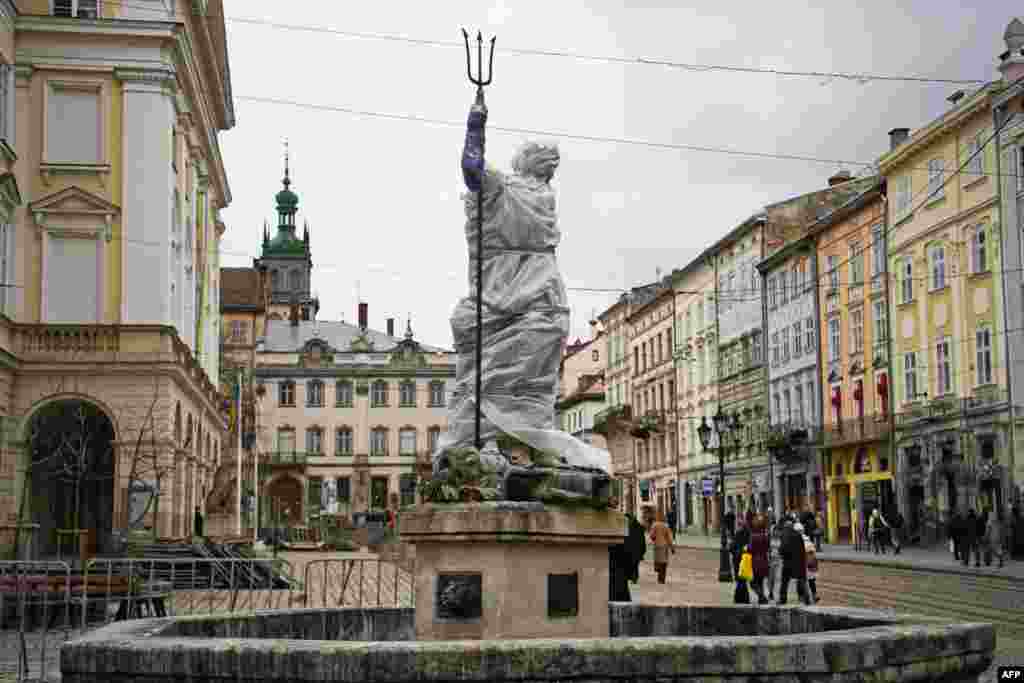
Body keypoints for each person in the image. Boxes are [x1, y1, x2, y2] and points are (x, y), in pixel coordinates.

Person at [779, 520, 809, 605]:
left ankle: (783, 599)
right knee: (801, 580)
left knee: (784, 582)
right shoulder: (798, 535)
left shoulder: (785, 535)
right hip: (798, 562)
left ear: (785, 527)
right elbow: (803, 550)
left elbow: (783, 549)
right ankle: (805, 598)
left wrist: (781, 553)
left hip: (788, 563)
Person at [749, 514, 771, 605]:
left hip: (755, 562)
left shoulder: (753, 537)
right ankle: (761, 600)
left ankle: (762, 597)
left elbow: (750, 549)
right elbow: (767, 548)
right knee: (760, 581)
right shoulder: (765, 536)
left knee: (753, 583)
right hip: (764, 561)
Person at [649, 509, 674, 584]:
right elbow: (669, 538)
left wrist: (654, 539)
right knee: (664, 563)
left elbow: (651, 536)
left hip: (657, 546)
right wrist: (672, 548)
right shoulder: (666, 526)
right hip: (665, 546)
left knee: (658, 562)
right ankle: (662, 579)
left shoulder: (654, 525)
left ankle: (659, 576)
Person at [802, 523, 820, 603]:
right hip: (811, 564)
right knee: (811, 580)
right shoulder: (808, 540)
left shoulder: (799, 539)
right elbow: (814, 553)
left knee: (804, 581)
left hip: (804, 563)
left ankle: (806, 597)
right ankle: (814, 594)